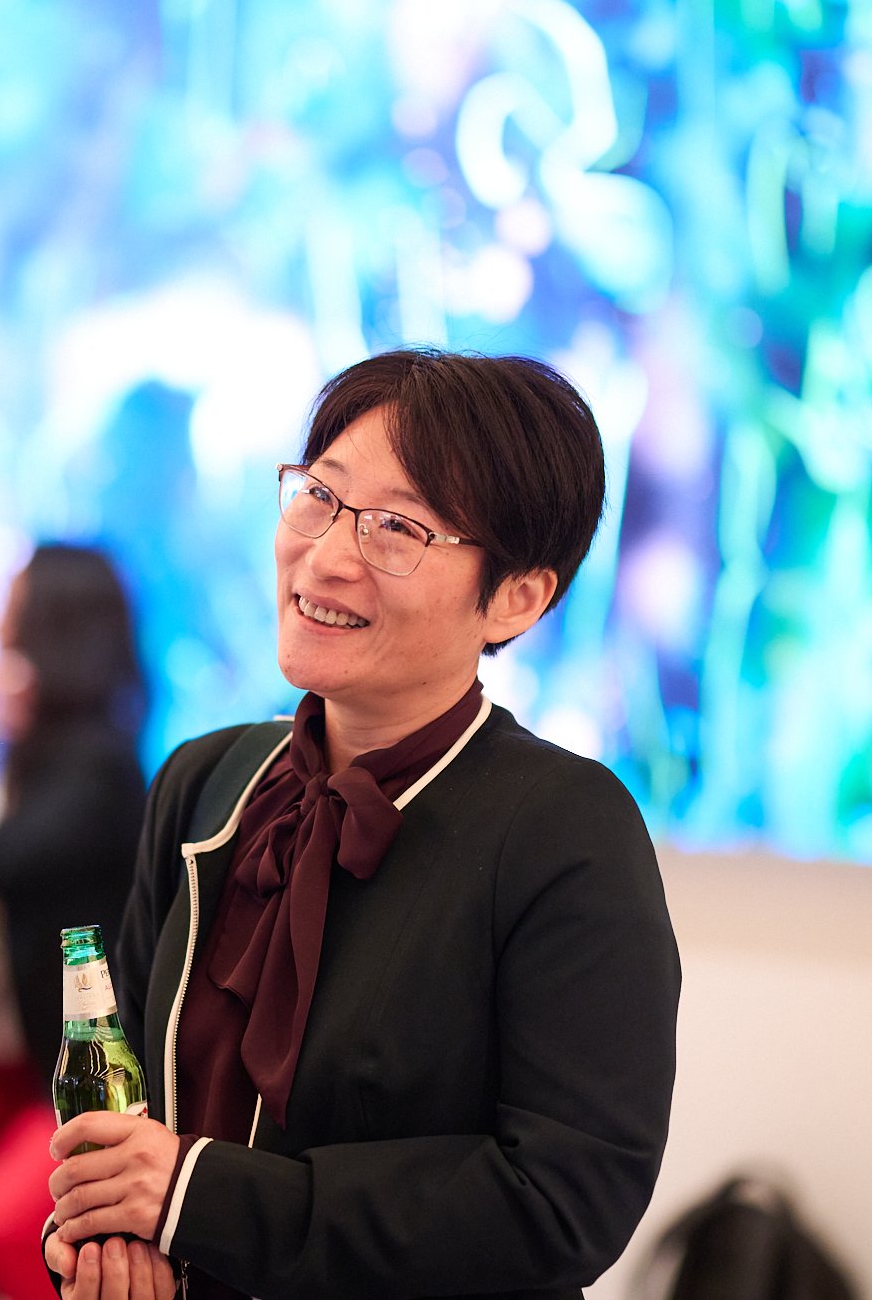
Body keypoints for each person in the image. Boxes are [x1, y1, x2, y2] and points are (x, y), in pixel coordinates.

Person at [43, 350, 683, 1300]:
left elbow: (562, 1199)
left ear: (518, 594)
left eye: (396, 527)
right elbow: (125, 1100)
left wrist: (196, 1195)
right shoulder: (205, 782)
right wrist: (98, 1238)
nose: (329, 555)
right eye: (319, 496)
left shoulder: (564, 830)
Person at [0, 543, 151, 1299]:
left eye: (11, 604)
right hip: (40, 1064)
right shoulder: (69, 756)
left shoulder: (95, 766)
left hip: (91, 1085)